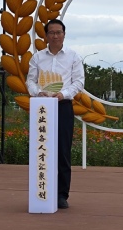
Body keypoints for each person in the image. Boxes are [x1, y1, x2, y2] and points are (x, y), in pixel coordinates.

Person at [26, 19, 85, 209]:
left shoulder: (73, 57)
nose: (55, 36)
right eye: (51, 32)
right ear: (46, 36)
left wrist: (63, 94)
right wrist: (38, 92)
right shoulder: (37, 58)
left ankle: (61, 194)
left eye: (58, 32)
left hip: (63, 106)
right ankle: (43, 191)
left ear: (64, 35)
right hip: (42, 107)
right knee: (41, 149)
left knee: (62, 151)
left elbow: (79, 82)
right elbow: (30, 81)